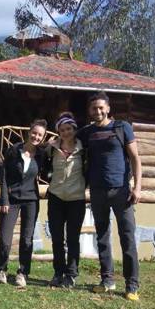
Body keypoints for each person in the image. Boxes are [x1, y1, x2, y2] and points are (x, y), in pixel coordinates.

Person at [77, 91, 142, 301]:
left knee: (127, 237)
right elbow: (67, 138)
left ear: (108, 108)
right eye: (94, 108)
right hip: (97, 191)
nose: (98, 111)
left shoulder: (122, 127)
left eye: (101, 107)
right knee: (102, 236)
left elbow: (135, 159)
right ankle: (107, 280)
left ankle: (132, 285)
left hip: (121, 191)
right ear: (89, 111)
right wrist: (52, 142)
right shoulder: (87, 132)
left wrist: (138, 187)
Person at [0, 119, 48, 287]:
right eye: (34, 133)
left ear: (43, 137)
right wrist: (4, 199)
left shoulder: (41, 155)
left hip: (31, 200)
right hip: (11, 200)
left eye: (40, 135)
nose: (36, 136)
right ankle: (1, 269)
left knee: (27, 239)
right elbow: (3, 177)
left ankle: (22, 272)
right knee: (5, 237)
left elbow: (50, 171)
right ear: (29, 132)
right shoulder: (13, 150)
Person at [43, 112, 86, 288]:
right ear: (58, 132)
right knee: (57, 238)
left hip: (76, 198)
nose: (66, 132)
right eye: (62, 130)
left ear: (74, 129)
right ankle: (58, 273)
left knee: (73, 238)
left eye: (68, 129)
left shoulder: (84, 149)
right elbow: (43, 167)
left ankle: (71, 274)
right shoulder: (51, 149)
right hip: (56, 197)